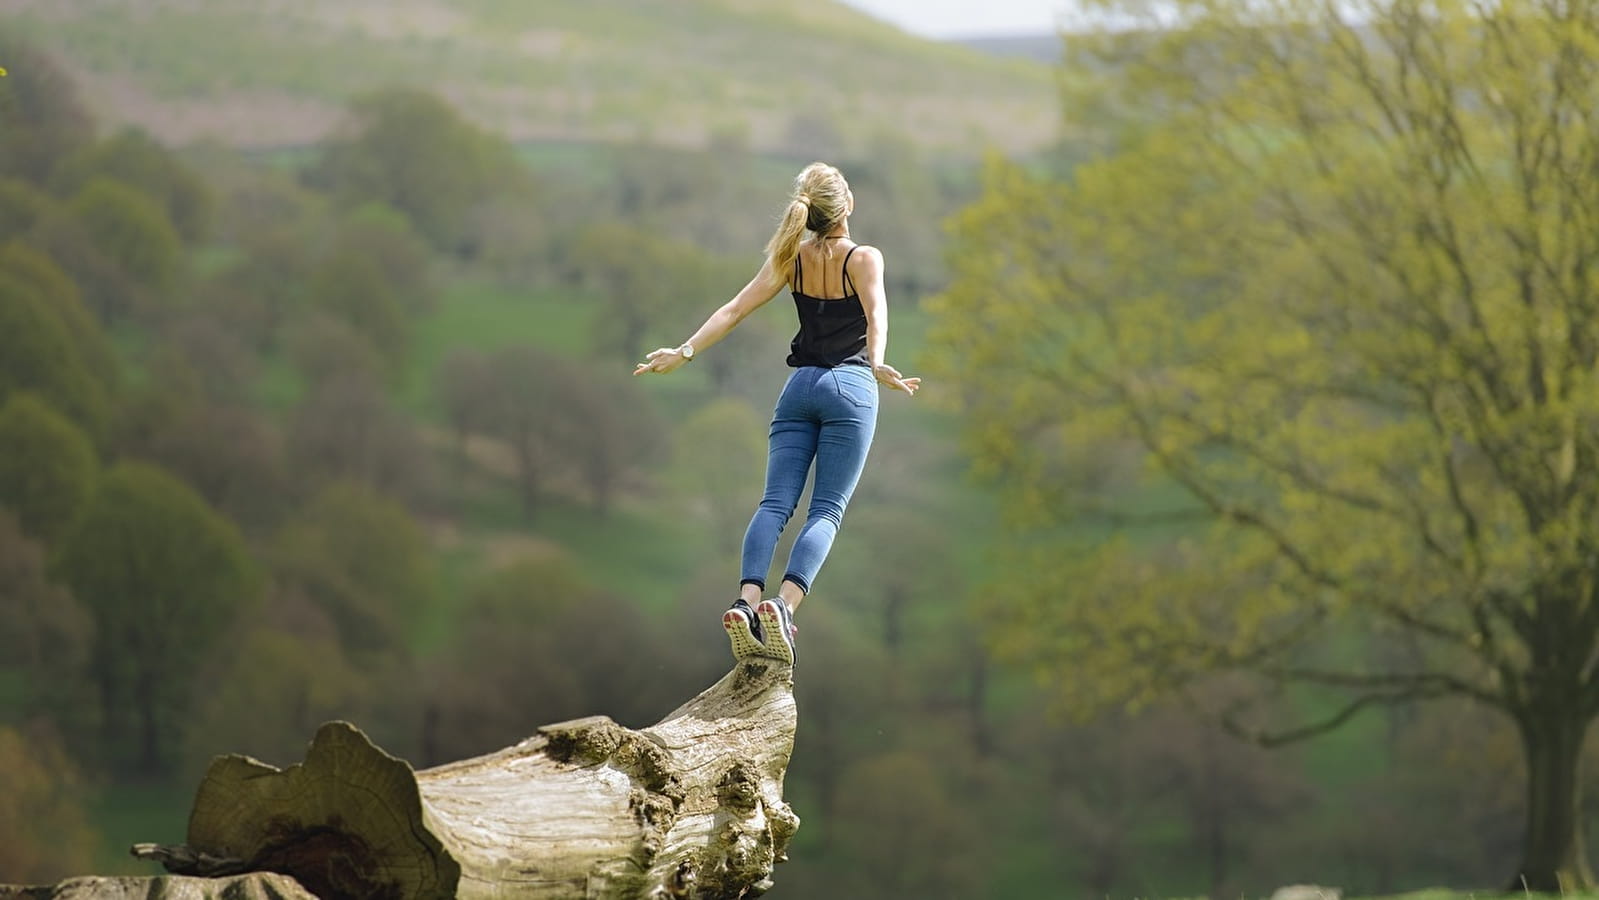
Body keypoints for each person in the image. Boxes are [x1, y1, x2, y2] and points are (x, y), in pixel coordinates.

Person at [633, 161, 920, 666]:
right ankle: (782, 609)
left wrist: (684, 352)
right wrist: (876, 364)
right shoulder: (864, 258)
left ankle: (744, 603)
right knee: (826, 509)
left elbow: (734, 309)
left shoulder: (793, 258)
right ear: (846, 206)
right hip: (849, 388)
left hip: (798, 390)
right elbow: (876, 313)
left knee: (774, 505)